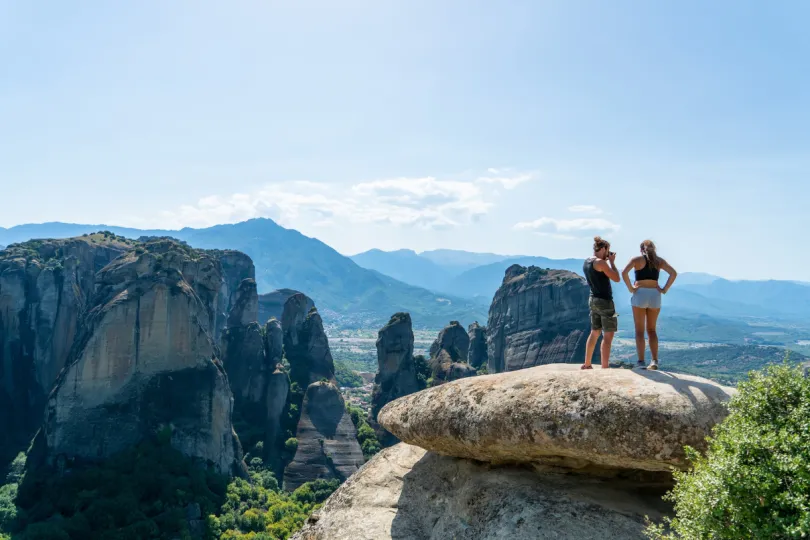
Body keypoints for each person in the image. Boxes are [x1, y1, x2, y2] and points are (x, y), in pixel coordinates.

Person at [621, 240, 678, 370]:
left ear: (641, 249)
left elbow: (624, 273)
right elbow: (673, 273)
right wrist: (664, 289)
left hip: (640, 293)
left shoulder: (636, 260)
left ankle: (641, 362)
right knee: (652, 330)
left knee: (639, 331)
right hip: (655, 295)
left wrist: (631, 288)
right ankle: (654, 361)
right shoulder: (659, 261)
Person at [582, 236, 620, 369]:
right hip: (605, 301)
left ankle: (587, 363)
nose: (608, 254)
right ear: (603, 248)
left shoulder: (587, 261)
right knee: (608, 334)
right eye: (607, 250)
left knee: (594, 332)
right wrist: (612, 263)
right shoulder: (601, 263)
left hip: (593, 299)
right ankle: (605, 367)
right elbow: (616, 278)